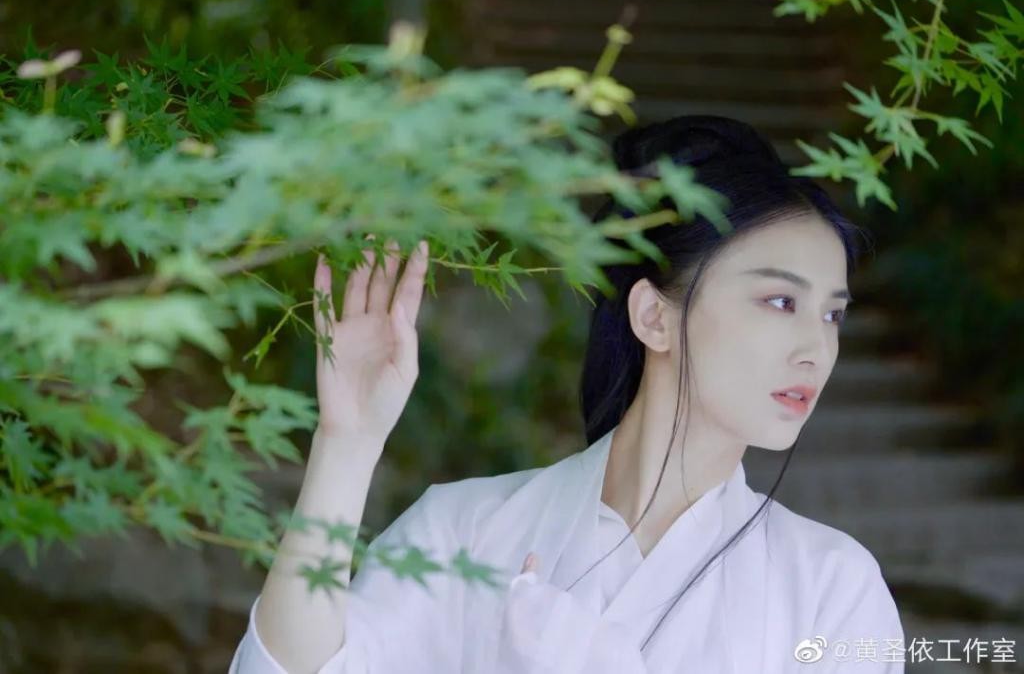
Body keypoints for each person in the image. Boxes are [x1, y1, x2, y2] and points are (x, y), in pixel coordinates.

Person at [229, 115, 906, 673]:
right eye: (781, 301)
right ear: (654, 316)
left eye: (832, 314)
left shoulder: (830, 587)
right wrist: (347, 445)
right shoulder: (464, 529)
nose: (817, 348)